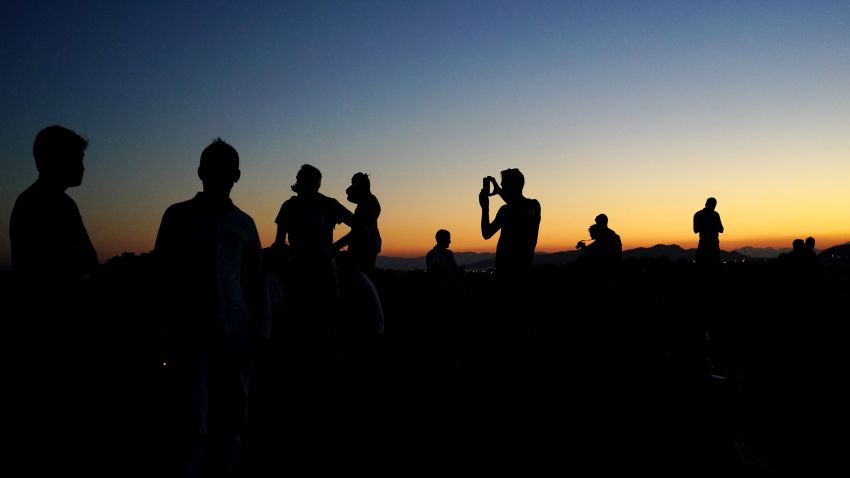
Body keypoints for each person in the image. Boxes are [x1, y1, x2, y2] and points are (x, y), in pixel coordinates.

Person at [154, 138, 270, 477]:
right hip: (190, 331)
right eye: (214, 169)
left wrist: (262, 327)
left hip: (236, 331)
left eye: (226, 170)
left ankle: (223, 473)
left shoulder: (244, 224)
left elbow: (257, 279)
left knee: (235, 408)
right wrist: (165, 325)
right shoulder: (177, 217)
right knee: (193, 412)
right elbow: (163, 273)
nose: (220, 176)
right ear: (201, 172)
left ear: (236, 175)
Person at [8, 125, 99, 470]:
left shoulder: (43, 202)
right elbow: (82, 262)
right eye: (77, 158)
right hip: (53, 336)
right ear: (51, 160)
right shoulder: (50, 205)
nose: (82, 167)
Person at [273, 164, 355, 349]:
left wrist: (335, 247)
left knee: (321, 325)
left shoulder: (327, 204)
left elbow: (359, 227)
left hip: (320, 272)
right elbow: (279, 242)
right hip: (301, 272)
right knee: (308, 325)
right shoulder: (291, 206)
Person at [479, 169, 541, 278]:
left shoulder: (533, 205)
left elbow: (518, 208)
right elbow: (486, 233)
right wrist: (485, 208)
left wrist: (498, 191)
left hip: (522, 270)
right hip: (502, 270)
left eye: (503, 186)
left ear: (514, 186)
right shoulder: (504, 210)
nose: (501, 188)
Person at [334, 172, 381, 278]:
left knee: (361, 277)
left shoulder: (369, 203)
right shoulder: (366, 202)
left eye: (354, 184)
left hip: (365, 248)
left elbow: (358, 230)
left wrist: (336, 246)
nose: (350, 187)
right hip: (366, 246)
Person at [693, 197, 724, 268]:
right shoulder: (699, 215)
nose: (714, 207)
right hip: (705, 246)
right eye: (713, 205)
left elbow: (721, 229)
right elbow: (695, 230)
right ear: (706, 204)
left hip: (713, 246)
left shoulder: (715, 215)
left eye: (714, 205)